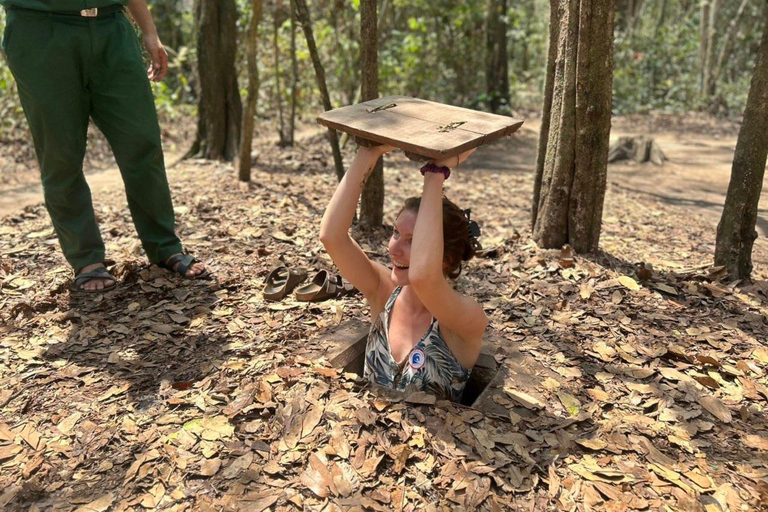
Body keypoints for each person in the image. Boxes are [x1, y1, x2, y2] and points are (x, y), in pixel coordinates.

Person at [0, 0, 205, 292]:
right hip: (39, 30)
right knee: (60, 154)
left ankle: (164, 246)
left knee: (141, 141)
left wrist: (149, 30)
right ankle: (86, 259)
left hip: (112, 26)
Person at [320, 145, 487, 402]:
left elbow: (424, 277)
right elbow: (331, 236)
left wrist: (436, 173)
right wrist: (368, 152)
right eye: (396, 233)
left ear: (447, 258)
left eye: (412, 241)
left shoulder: (465, 320)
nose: (394, 248)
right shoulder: (382, 290)